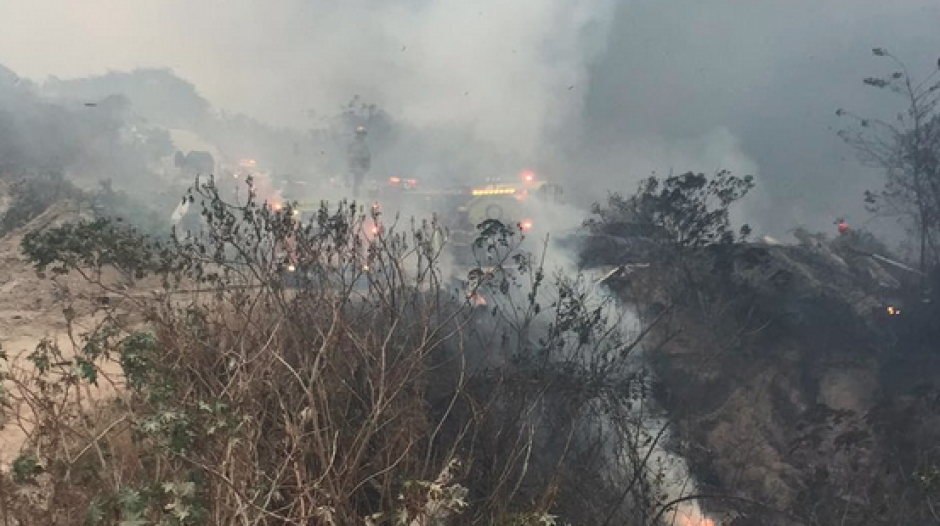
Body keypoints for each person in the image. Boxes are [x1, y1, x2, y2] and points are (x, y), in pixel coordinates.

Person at [346, 126, 371, 198]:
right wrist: (351, 163)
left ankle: (359, 193)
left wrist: (367, 164)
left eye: (363, 134)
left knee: (360, 180)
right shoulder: (352, 143)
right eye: (360, 134)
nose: (362, 136)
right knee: (357, 180)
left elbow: (368, 155)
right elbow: (349, 154)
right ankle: (356, 194)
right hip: (355, 164)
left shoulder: (365, 144)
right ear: (357, 134)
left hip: (362, 164)